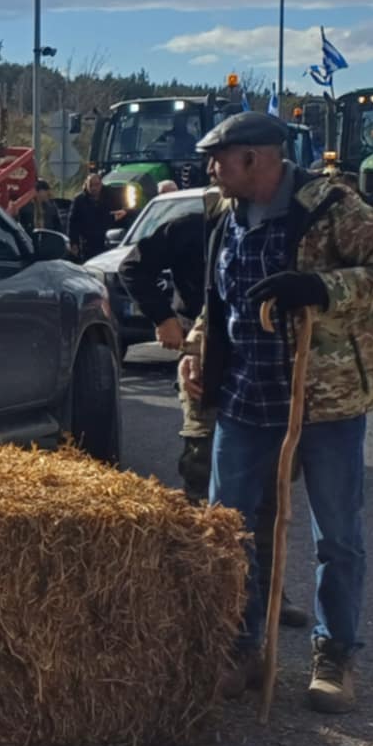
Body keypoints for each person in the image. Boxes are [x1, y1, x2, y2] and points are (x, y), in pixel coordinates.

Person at [181, 112, 373, 714]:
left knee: (335, 534)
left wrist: (321, 289)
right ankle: (241, 647)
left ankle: (334, 653)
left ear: (257, 158)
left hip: (324, 399)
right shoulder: (225, 215)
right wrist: (196, 351)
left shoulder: (332, 206)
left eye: (220, 157)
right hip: (244, 397)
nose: (211, 169)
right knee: (228, 529)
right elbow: (224, 301)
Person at [123, 182, 307, 626]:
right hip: (204, 355)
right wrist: (163, 317)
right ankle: (195, 594)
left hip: (260, 367)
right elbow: (133, 266)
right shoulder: (193, 225)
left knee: (270, 490)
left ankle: (262, 593)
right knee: (202, 482)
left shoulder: (281, 225)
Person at [65, 172, 124, 260]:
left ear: (101, 184)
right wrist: (73, 243)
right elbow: (72, 222)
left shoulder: (110, 197)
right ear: (86, 185)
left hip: (107, 242)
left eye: (96, 185)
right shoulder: (79, 200)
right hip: (87, 243)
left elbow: (119, 214)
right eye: (91, 185)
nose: (94, 188)